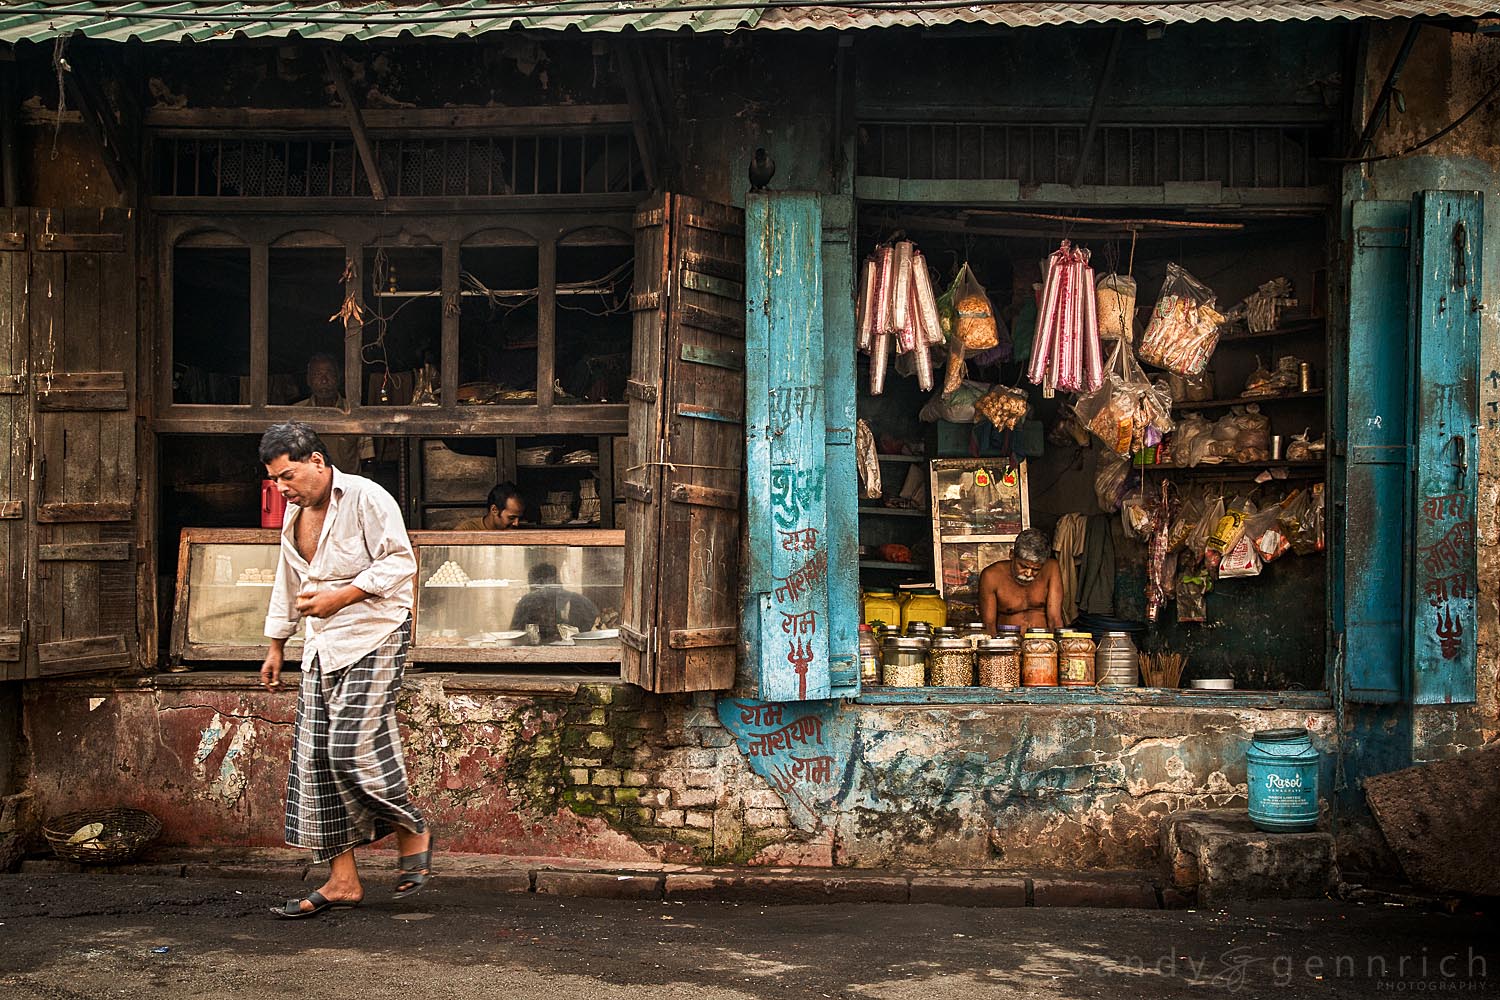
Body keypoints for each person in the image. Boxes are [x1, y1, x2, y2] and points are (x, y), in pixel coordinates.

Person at [258, 420, 433, 919]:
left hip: (375, 633)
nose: (283, 488)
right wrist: (276, 645)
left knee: (349, 746)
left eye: (288, 476)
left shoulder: (366, 497)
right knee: (315, 760)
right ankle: (342, 881)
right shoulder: (294, 517)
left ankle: (410, 827)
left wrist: (343, 595)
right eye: (275, 481)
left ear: (317, 461)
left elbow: (400, 562)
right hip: (320, 645)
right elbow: (288, 580)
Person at [293, 353, 374, 474]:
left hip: (347, 488)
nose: (324, 380)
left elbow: (367, 459)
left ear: (338, 378)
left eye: (329, 374)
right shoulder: (295, 413)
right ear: (308, 380)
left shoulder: (355, 412)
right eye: (317, 374)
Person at [979, 527, 1064, 633]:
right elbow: (989, 625)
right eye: (1023, 566)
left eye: (1036, 569)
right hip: (1008, 643)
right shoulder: (991, 576)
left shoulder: (1052, 568)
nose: (1029, 574)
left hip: (1043, 643)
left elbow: (1055, 619)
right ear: (1012, 555)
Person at [510, 562, 600, 644]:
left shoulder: (578, 602)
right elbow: (515, 635)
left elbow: (594, 634)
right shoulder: (527, 603)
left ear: (540, 582)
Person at [453, 482, 525, 531]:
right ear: (494, 510)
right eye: (511, 518)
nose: (516, 523)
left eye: (520, 518)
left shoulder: (521, 531)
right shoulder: (466, 530)